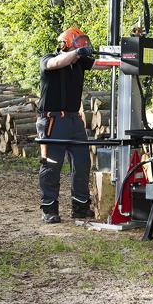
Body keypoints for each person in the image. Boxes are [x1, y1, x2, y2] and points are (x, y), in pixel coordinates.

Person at [36, 27, 104, 223]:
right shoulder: (49, 58)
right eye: (78, 45)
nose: (82, 48)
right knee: (51, 165)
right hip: (53, 120)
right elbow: (56, 63)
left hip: (74, 120)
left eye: (84, 45)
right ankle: (49, 209)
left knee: (82, 164)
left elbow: (102, 64)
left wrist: (126, 58)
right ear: (66, 44)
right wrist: (76, 53)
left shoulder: (79, 63)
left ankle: (80, 206)